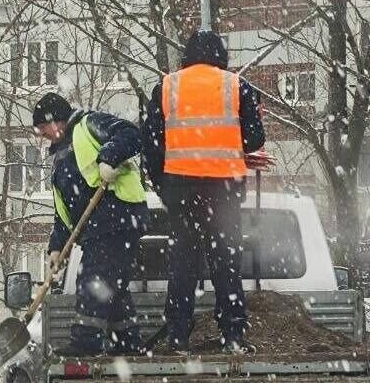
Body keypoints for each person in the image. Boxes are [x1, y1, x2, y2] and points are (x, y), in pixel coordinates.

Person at [141, 30, 266, 355]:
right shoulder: (237, 86)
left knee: (183, 264)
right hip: (223, 192)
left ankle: (179, 335)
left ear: (187, 56)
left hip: (181, 191)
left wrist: (164, 187)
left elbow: (152, 147)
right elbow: (254, 138)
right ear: (221, 56)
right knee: (226, 263)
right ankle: (233, 335)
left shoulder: (167, 87)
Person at [32, 92, 148, 355]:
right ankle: (128, 342)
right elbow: (65, 213)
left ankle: (87, 340)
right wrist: (56, 247)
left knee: (93, 277)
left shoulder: (89, 125)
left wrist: (109, 157)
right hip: (98, 227)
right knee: (113, 287)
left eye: (42, 127)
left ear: (57, 120)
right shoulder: (60, 159)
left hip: (118, 215)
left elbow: (131, 134)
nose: (41, 135)